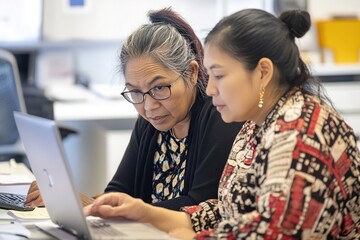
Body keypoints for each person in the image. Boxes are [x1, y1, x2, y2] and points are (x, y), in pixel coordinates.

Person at [84, 8, 360, 239]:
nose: (211, 89)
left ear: (263, 72)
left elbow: (279, 232)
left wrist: (189, 236)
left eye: (218, 75)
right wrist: (146, 213)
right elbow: (228, 212)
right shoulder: (256, 125)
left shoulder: (301, 132)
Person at [25, 8, 243, 211]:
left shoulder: (220, 118)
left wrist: (97, 206)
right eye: (135, 92)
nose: (149, 106)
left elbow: (198, 207)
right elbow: (120, 193)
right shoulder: (151, 121)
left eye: (159, 88)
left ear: (192, 73)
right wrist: (71, 200)